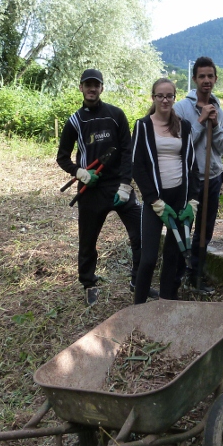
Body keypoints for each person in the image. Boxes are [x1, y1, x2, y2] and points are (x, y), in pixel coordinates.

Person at [57, 69, 152, 306]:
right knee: (87, 241)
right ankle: (89, 283)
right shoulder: (75, 121)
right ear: (81, 88)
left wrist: (125, 185)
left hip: (117, 186)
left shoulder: (116, 115)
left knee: (140, 233)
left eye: (96, 85)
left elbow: (128, 151)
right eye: (87, 85)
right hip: (91, 189)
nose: (92, 89)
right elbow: (62, 157)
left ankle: (138, 281)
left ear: (102, 88)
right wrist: (79, 172)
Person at [132, 78, 200, 303]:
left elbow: (192, 166)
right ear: (153, 97)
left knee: (173, 256)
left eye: (169, 96)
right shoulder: (142, 126)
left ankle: (166, 302)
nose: (165, 100)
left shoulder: (184, 126)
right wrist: (154, 200)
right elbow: (137, 167)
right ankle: (138, 306)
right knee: (149, 258)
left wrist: (192, 201)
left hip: (179, 198)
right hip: (156, 201)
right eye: (160, 95)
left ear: (174, 97)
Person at [174, 57, 223, 295]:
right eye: (202, 76)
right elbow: (179, 144)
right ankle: (177, 273)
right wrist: (200, 121)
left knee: (205, 230)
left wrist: (215, 124)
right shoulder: (181, 108)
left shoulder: (219, 108)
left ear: (216, 79)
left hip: (213, 176)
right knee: (183, 226)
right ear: (195, 79)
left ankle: (197, 274)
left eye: (210, 76)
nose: (206, 80)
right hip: (188, 179)